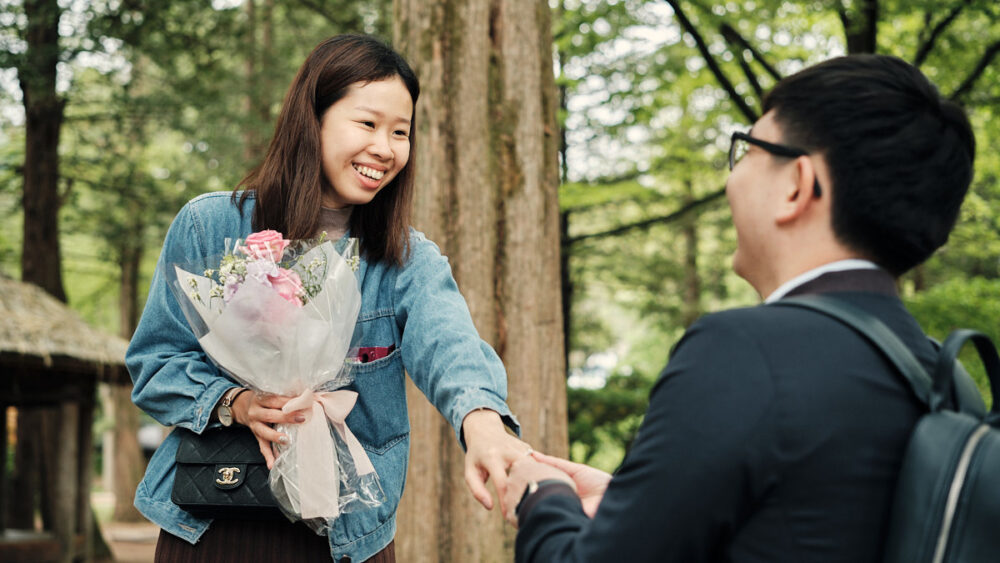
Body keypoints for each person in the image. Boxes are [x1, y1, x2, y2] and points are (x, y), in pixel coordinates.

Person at [504, 54, 978, 562]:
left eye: (747, 149)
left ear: (797, 184)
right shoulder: (944, 377)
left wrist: (542, 498)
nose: (732, 177)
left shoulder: (743, 352)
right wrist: (636, 499)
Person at [126, 34, 531, 563]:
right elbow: (154, 365)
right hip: (212, 521)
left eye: (401, 132)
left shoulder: (406, 259)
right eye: (367, 124)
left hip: (349, 538)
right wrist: (238, 404)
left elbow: (451, 346)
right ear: (311, 118)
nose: (385, 149)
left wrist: (482, 423)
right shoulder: (210, 225)